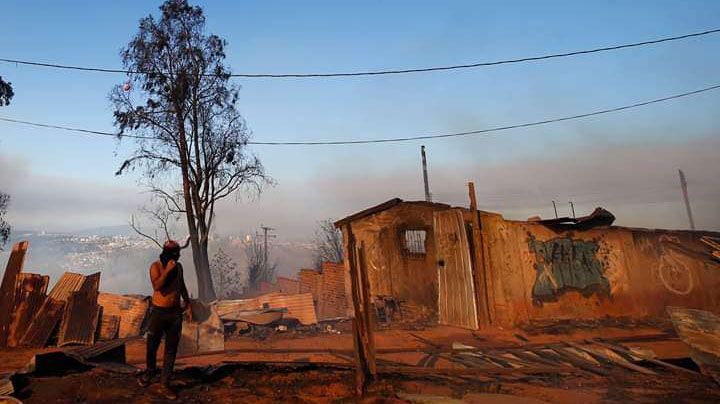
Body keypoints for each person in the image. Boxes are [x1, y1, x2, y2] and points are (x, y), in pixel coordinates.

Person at [137, 239, 192, 400]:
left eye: (178, 253)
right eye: (174, 253)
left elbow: (181, 285)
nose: (177, 256)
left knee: (171, 349)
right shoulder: (156, 267)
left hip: (175, 313)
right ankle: (150, 372)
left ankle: (165, 383)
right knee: (152, 346)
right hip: (158, 312)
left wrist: (188, 304)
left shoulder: (179, 267)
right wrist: (167, 270)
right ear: (166, 253)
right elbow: (157, 286)